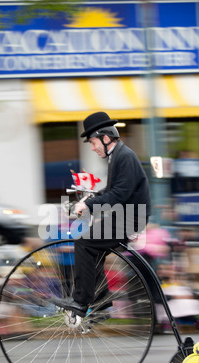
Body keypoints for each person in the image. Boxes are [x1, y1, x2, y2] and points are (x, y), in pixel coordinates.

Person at [53, 111, 151, 316]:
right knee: (92, 250)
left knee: (84, 242)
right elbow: (110, 191)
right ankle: (101, 302)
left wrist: (88, 206)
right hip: (125, 216)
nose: (92, 147)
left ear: (106, 138)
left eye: (93, 142)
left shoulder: (124, 157)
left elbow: (118, 195)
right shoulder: (118, 156)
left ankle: (81, 302)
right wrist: (86, 201)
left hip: (131, 218)